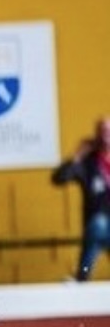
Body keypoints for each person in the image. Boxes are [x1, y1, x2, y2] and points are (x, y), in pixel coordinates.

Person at [51, 115, 110, 281]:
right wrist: (77, 156)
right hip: (97, 225)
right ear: (97, 135)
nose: (107, 136)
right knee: (99, 224)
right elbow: (59, 178)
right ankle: (82, 276)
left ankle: (82, 277)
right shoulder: (88, 162)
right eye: (103, 131)